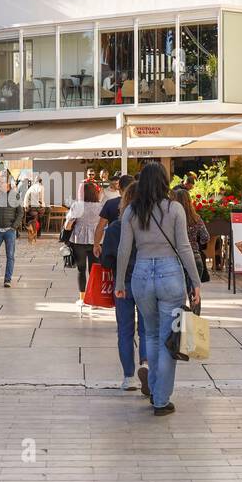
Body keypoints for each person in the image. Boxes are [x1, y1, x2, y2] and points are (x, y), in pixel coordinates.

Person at [115, 163, 202, 417]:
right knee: (168, 339)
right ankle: (161, 399)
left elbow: (124, 250)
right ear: (164, 182)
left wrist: (120, 283)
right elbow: (185, 248)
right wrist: (195, 282)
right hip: (170, 275)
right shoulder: (174, 209)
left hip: (141, 274)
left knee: (150, 335)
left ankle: (154, 389)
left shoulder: (131, 211)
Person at [101, 182, 148, 392]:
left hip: (123, 284)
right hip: (146, 281)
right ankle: (146, 363)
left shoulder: (114, 228)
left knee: (125, 331)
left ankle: (129, 377)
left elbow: (107, 261)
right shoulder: (149, 225)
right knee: (147, 328)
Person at [65, 180, 104, 298]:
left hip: (79, 241)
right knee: (94, 271)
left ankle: (82, 298)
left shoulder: (77, 205)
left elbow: (67, 226)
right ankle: (94, 297)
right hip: (96, 241)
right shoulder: (100, 206)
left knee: (81, 270)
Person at [0, 176, 23, 287]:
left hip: (9, 230)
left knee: (10, 255)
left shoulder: (15, 196)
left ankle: (7, 279)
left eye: (2, 183)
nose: (0, 185)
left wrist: (14, 227)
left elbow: (20, 213)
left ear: (8, 184)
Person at [170, 188, 210, 283]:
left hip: (177, 258)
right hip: (195, 258)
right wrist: (197, 242)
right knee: (194, 294)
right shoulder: (196, 218)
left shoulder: (172, 218)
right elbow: (206, 237)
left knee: (179, 295)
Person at [92, 174, 134, 262]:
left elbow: (100, 226)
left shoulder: (110, 203)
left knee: (115, 272)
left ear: (119, 188)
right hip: (134, 244)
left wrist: (96, 244)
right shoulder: (140, 204)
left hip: (115, 244)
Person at [23, 176, 47, 241]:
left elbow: (26, 197)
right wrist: (42, 205)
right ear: (40, 181)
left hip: (32, 208)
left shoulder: (31, 188)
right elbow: (41, 198)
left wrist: (26, 206)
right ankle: (38, 233)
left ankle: (33, 232)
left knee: (34, 219)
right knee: (39, 219)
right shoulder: (41, 187)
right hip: (39, 207)